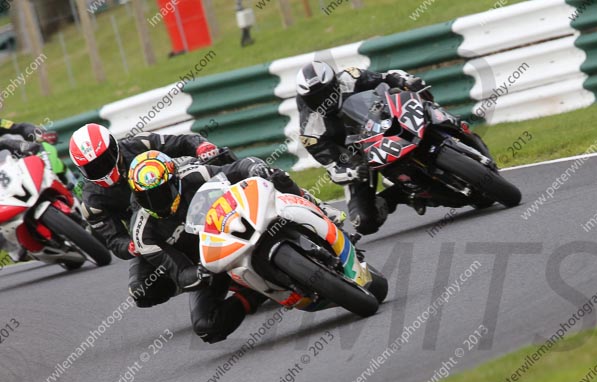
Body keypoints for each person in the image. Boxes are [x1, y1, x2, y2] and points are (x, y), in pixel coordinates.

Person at [127, 151, 332, 343]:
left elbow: (237, 168)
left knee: (276, 177)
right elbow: (180, 273)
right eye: (147, 197)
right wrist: (200, 272)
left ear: (174, 181)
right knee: (207, 326)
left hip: (236, 221)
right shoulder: (143, 234)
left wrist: (254, 168)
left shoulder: (194, 174)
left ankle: (319, 209)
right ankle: (258, 293)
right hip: (212, 261)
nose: (156, 202)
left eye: (161, 193)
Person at [69, 123, 223, 307]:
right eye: (93, 168)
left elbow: (181, 142)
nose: (102, 170)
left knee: (218, 157)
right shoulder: (92, 202)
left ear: (114, 148)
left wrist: (201, 147)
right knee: (141, 291)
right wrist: (130, 246)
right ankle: (186, 280)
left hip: (185, 198)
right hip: (154, 232)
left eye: (104, 161)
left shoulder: (139, 143)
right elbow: (114, 240)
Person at [295, 61, 431, 234]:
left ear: (335, 83)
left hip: (387, 123)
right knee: (364, 222)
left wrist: (406, 81)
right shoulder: (310, 131)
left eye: (325, 92)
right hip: (359, 158)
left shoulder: (350, 78)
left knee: (418, 98)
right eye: (314, 98)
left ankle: (449, 125)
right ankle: (404, 194)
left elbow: (387, 77)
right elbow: (334, 169)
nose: (323, 100)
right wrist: (353, 172)